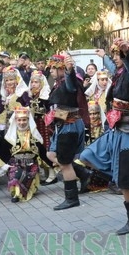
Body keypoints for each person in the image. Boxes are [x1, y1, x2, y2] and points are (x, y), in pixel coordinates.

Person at [80, 41, 129, 235]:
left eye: (119, 55)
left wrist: (127, 54)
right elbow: (114, 66)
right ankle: (115, 175)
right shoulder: (118, 75)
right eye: (115, 54)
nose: (116, 57)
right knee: (86, 156)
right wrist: (105, 57)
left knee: (126, 184)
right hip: (115, 131)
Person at [47, 54, 88, 210]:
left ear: (60, 69)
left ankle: (71, 198)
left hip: (69, 125)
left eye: (53, 68)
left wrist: (69, 69)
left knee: (64, 164)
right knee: (51, 155)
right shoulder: (57, 83)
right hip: (62, 125)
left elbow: (71, 84)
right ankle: (83, 174)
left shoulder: (70, 82)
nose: (50, 70)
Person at [5, 106, 43, 202]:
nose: (22, 123)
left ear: (28, 120)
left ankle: (25, 191)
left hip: (31, 162)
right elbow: (4, 153)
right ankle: (16, 194)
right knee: (16, 176)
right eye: (19, 120)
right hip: (15, 163)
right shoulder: (10, 135)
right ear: (15, 121)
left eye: (24, 120)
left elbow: (42, 151)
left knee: (27, 176)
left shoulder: (34, 134)